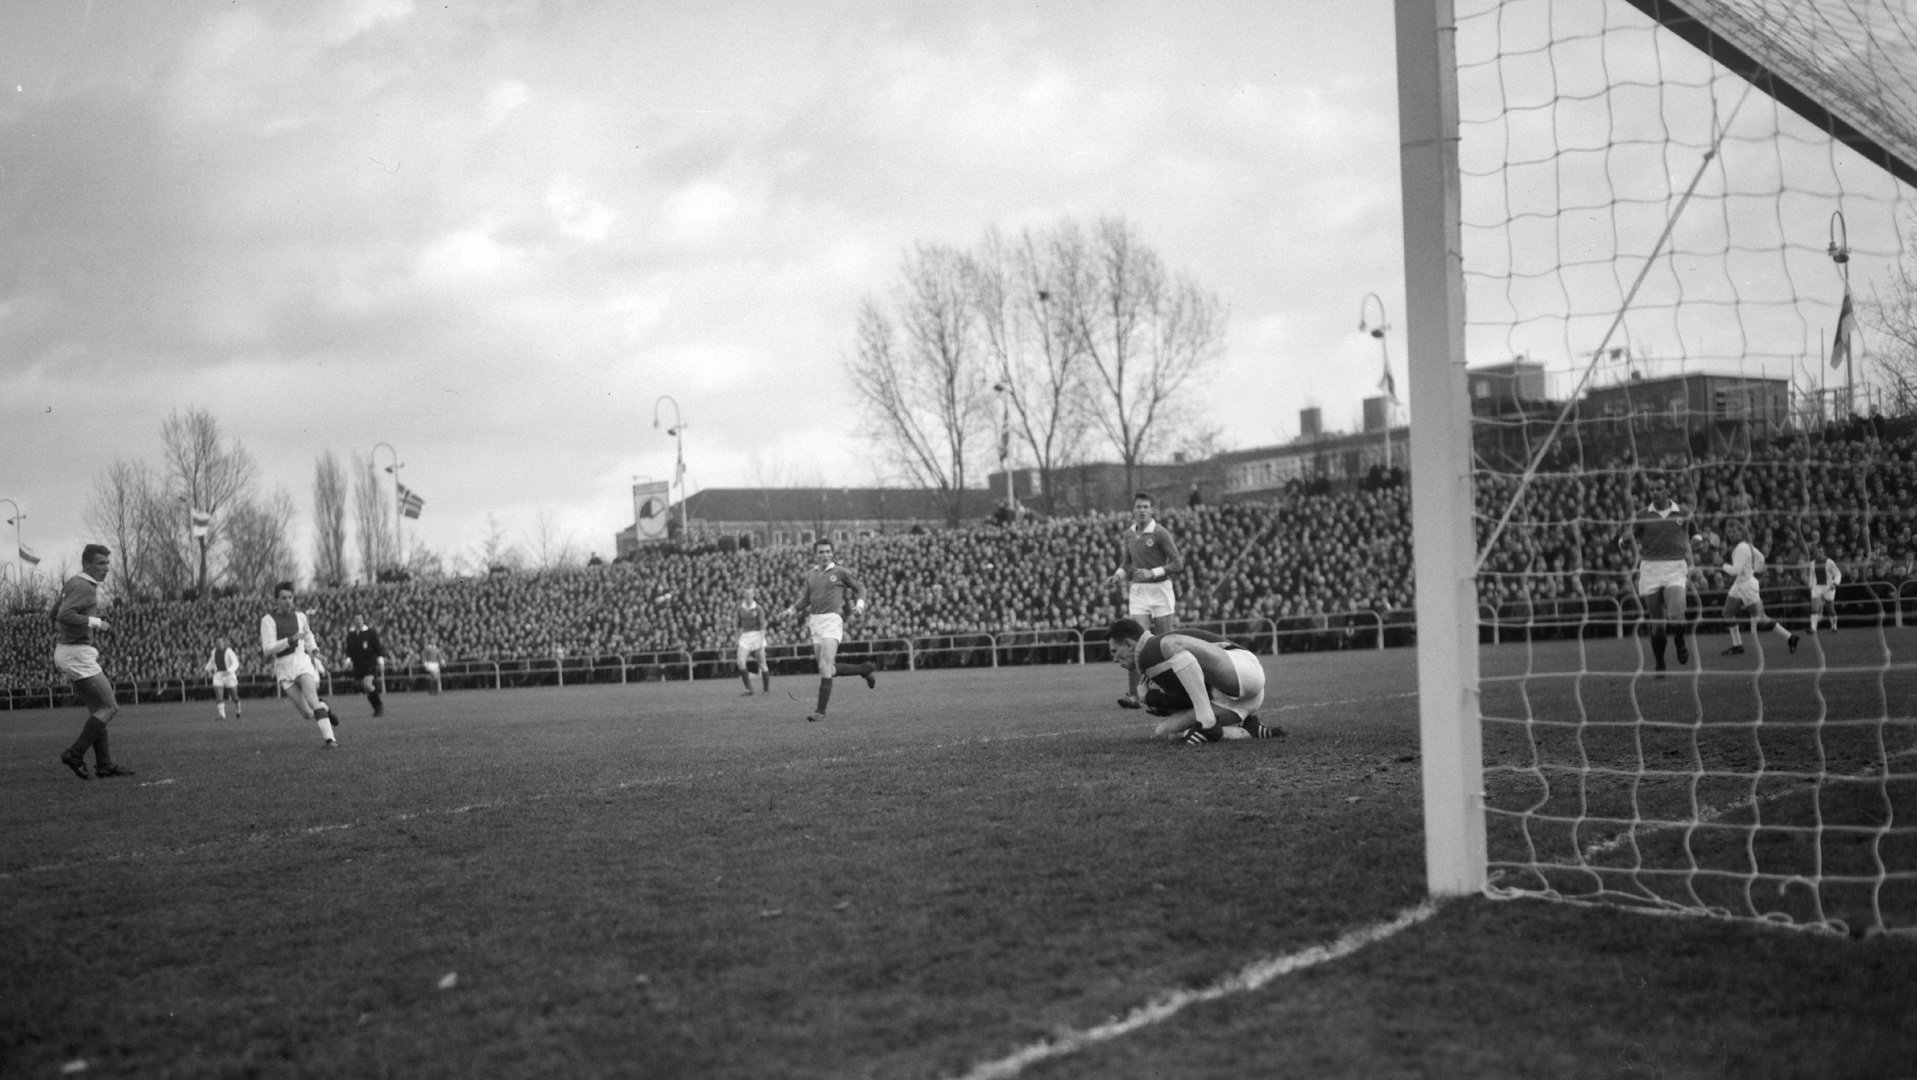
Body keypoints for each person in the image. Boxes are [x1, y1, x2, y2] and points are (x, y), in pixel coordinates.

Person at [1106, 618, 1283, 745]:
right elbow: (1192, 696)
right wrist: (1150, 699)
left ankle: (1208, 724)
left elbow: (1190, 697)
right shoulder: (1148, 660)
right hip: (1236, 699)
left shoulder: (1150, 652)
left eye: (1114, 651)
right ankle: (1246, 729)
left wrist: (1150, 698)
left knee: (1170, 643)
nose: (1114, 659)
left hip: (1242, 670)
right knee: (1166, 732)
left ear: (1129, 645)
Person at [54, 543, 136, 779]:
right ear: (87, 563)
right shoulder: (85, 586)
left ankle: (104, 765)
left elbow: (55, 613)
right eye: (101, 563)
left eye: (108, 563)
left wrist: (90, 619)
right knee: (110, 707)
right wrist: (97, 623)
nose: (106, 568)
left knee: (98, 710)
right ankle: (75, 753)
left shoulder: (72, 583)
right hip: (77, 653)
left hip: (68, 651)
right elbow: (63, 615)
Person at [781, 538, 877, 723]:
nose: (825, 555)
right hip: (815, 622)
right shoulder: (811, 574)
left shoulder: (840, 572)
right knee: (828, 669)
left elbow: (861, 588)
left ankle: (820, 712)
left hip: (831, 620)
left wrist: (860, 605)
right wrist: (791, 610)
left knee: (825, 665)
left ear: (832, 553)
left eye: (827, 551)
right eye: (821, 552)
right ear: (815, 554)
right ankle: (865, 669)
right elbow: (806, 599)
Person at [1110, 492, 1184, 709]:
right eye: (1138, 507)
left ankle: (1172, 693)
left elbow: (1178, 563)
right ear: (1133, 510)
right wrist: (1117, 576)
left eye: (1145, 507)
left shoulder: (1160, 533)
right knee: (1135, 642)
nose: (1141, 510)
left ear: (1152, 510)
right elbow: (1127, 563)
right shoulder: (1129, 535)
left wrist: (1153, 573)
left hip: (1161, 590)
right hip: (1139, 593)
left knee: (1164, 644)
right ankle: (1134, 695)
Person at [1617, 479, 1695, 677]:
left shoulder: (1683, 512)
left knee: (1677, 615)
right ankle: (1660, 663)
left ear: (1668, 490)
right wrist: (1623, 542)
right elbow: (1627, 537)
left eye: (1659, 488)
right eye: (1651, 489)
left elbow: (1695, 535)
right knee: (1658, 623)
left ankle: (1679, 640)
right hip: (1651, 569)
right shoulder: (1642, 515)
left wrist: (1699, 543)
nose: (1655, 492)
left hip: (1675, 567)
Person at [260, 581, 339, 748]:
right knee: (307, 713)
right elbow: (267, 649)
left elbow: (308, 636)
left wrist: (315, 651)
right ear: (276, 600)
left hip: (301, 661)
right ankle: (325, 707)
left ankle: (330, 740)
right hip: (283, 668)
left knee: (312, 700)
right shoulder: (268, 620)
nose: (288, 601)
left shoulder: (300, 617)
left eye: (290, 597)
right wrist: (289, 640)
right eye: (283, 598)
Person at [1717, 521, 1798, 657]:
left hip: (1747, 585)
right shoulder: (1745, 546)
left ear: (1741, 532)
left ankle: (1790, 637)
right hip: (1740, 584)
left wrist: (1722, 565)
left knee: (1761, 618)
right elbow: (1760, 558)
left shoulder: (1741, 548)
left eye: (1734, 531)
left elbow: (1735, 570)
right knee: (1727, 613)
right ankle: (1737, 646)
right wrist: (1755, 570)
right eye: (1729, 532)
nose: (1731, 534)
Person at [343, 612, 391, 716]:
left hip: (370, 663)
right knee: (366, 688)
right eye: (356, 619)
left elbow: (378, 647)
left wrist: (381, 661)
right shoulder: (351, 635)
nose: (358, 621)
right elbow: (349, 651)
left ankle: (379, 705)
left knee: (367, 684)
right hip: (358, 665)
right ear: (354, 621)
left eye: (360, 619)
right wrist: (347, 661)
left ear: (363, 620)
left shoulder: (371, 633)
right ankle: (376, 708)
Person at [735, 583, 771, 696]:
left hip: (757, 636)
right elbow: (738, 625)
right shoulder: (740, 608)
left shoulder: (758, 608)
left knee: (762, 663)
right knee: (740, 662)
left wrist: (761, 641)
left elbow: (762, 626)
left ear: (753, 594)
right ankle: (749, 689)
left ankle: (766, 689)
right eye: (746, 594)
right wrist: (737, 638)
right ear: (744, 595)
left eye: (750, 593)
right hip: (745, 636)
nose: (748, 596)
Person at [1807, 541, 1842, 634]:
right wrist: (1810, 585)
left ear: (1824, 552)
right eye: (1817, 552)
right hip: (1816, 587)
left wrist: (1835, 583)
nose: (1818, 554)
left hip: (1828, 587)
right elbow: (1811, 575)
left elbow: (1838, 573)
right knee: (1814, 608)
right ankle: (1813, 628)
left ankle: (1834, 626)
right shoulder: (1812, 563)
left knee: (1830, 608)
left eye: (1820, 552)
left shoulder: (1830, 562)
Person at [204, 635, 242, 719]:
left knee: (234, 697)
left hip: (229, 675)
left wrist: (229, 671)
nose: (219, 644)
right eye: (217, 642)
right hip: (218, 675)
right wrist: (207, 669)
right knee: (219, 696)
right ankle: (222, 716)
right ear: (215, 643)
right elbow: (212, 662)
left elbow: (236, 663)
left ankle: (238, 709)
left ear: (224, 642)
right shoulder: (214, 652)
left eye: (221, 642)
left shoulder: (229, 651)